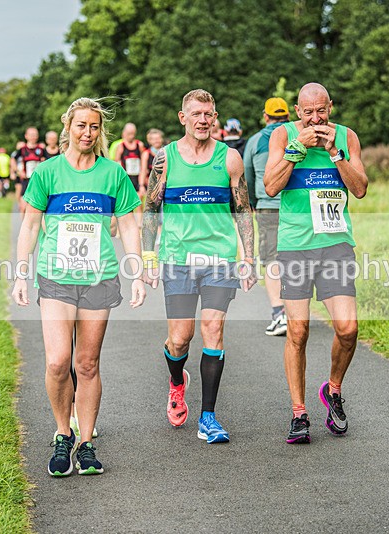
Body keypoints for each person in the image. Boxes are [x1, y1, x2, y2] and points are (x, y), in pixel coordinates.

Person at [12, 97, 146, 477]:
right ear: (67, 127)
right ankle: (62, 433)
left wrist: (136, 273)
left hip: (98, 278)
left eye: (94, 127)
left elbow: (130, 225)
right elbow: (31, 226)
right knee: (57, 362)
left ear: (100, 131)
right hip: (55, 279)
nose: (87, 133)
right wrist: (21, 273)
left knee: (86, 364)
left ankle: (86, 442)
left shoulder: (112, 174)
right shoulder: (46, 172)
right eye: (80, 125)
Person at [142, 89, 256, 444]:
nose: (203, 120)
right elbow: (150, 210)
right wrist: (148, 258)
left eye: (208, 114)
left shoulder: (229, 158)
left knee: (213, 328)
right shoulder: (165, 159)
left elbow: (242, 209)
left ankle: (209, 417)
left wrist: (249, 258)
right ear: (183, 118)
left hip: (219, 258)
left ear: (215, 117)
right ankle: (177, 382)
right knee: (179, 339)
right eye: (196, 114)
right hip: (177, 258)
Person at [263, 82, 368, 445]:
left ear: (330, 108)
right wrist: (297, 150)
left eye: (321, 111)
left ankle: (333, 390)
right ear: (297, 112)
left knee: (348, 328)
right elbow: (271, 186)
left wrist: (336, 154)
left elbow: (360, 188)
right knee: (298, 331)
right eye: (308, 112)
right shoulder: (283, 135)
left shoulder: (347, 137)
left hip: (336, 244)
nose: (315, 118)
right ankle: (298, 413)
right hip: (296, 247)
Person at [244, 97, 291, 336]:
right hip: (296, 206)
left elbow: (248, 176)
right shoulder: (296, 134)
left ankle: (279, 314)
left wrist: (253, 201)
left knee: (271, 259)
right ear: (289, 115)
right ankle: (297, 311)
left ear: (266, 116)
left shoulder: (255, 141)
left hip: (268, 206)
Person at [15, 128, 47, 213]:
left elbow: (48, 161)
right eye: (31, 134)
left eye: (35, 134)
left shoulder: (41, 149)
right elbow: (12, 159)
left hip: (38, 181)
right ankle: (23, 225)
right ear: (26, 136)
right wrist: (18, 171)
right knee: (23, 207)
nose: (33, 137)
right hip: (26, 180)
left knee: (38, 208)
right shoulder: (22, 149)